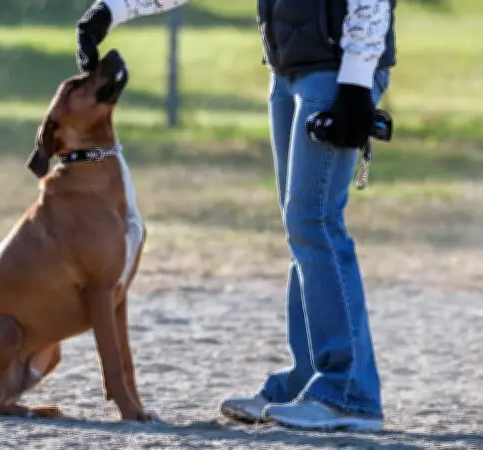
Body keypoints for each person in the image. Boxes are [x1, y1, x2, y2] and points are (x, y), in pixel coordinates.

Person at [75, 0, 396, 431]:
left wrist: (356, 84)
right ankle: (310, 378)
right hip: (288, 71)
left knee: (315, 222)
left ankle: (349, 392)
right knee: (300, 228)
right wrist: (112, 11)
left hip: (336, 71)